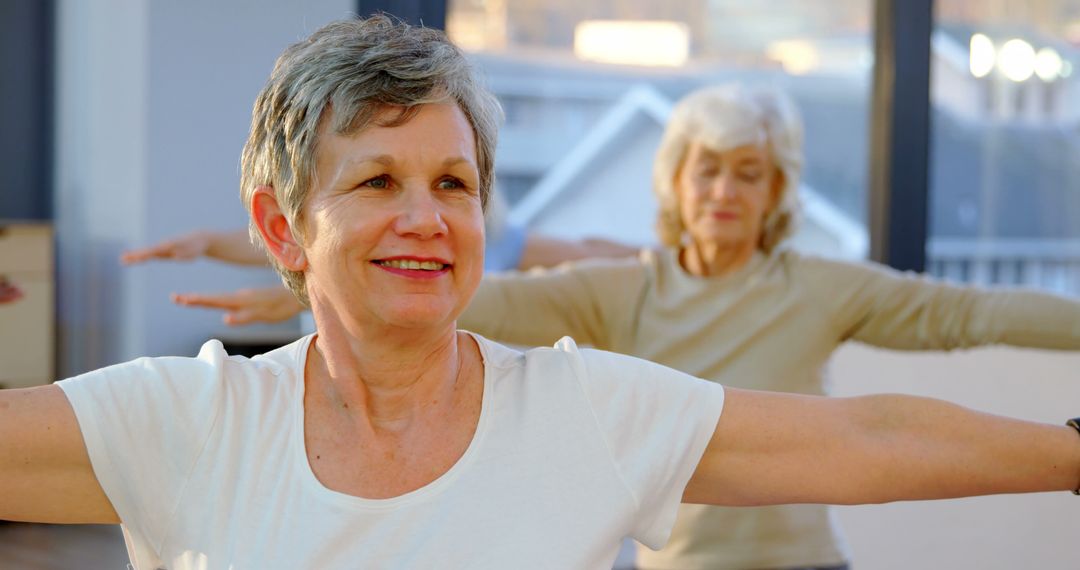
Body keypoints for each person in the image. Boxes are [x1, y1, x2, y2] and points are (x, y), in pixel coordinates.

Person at [3, 16, 1080, 570]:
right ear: (283, 224)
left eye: (455, 184)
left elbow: (867, 438)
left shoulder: (584, 414)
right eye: (379, 181)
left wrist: (1074, 453)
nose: (428, 217)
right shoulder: (186, 420)